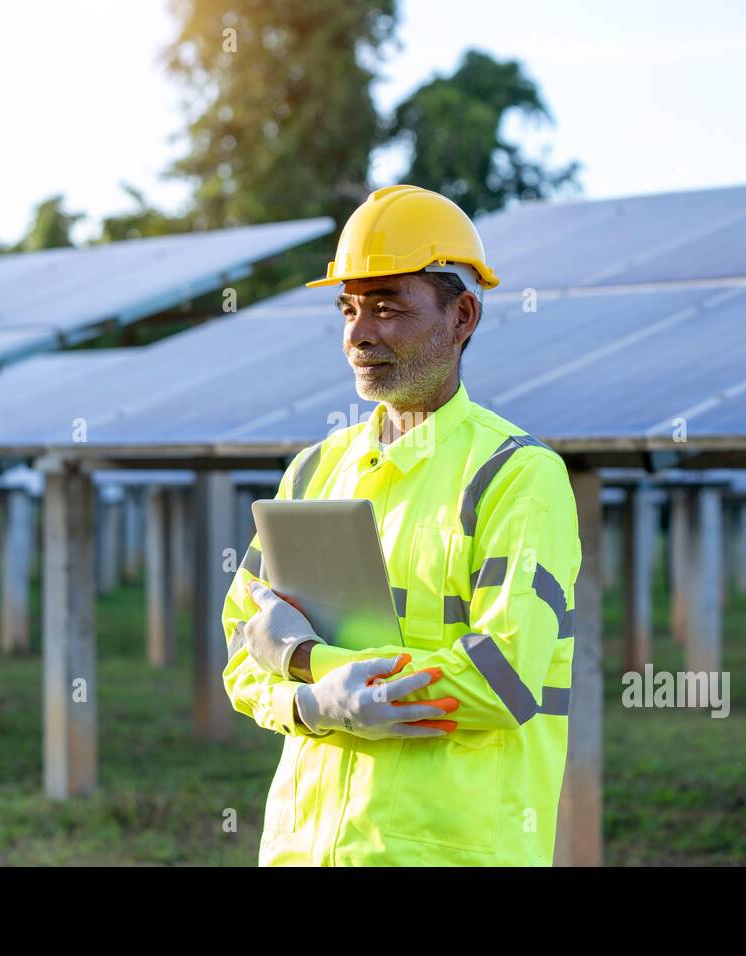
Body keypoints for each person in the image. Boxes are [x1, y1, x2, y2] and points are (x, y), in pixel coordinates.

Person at [221, 184, 582, 866]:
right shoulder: (311, 471)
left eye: (388, 307)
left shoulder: (516, 476)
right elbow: (243, 654)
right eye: (349, 308)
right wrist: (312, 707)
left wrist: (309, 665)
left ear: (462, 316)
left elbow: (500, 677)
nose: (360, 333)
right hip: (303, 851)